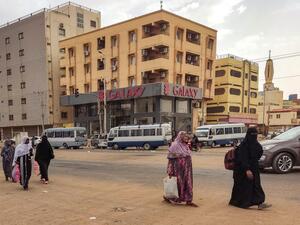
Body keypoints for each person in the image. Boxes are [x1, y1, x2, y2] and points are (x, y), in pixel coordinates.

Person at [229, 127, 271, 210]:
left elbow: (259, 153)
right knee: (243, 186)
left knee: (256, 185)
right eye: (252, 135)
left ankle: (259, 202)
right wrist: (247, 169)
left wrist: (253, 164)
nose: (254, 136)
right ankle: (239, 202)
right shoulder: (243, 146)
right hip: (242, 170)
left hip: (254, 168)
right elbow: (242, 158)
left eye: (255, 134)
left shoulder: (256, 145)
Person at [164, 131, 198, 207]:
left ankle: (188, 200)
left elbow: (188, 155)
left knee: (188, 183)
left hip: (187, 169)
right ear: (180, 137)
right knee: (178, 184)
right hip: (178, 170)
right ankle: (170, 197)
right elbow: (170, 157)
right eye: (184, 136)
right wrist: (170, 169)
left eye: (186, 136)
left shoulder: (185, 145)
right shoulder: (175, 145)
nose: (186, 138)